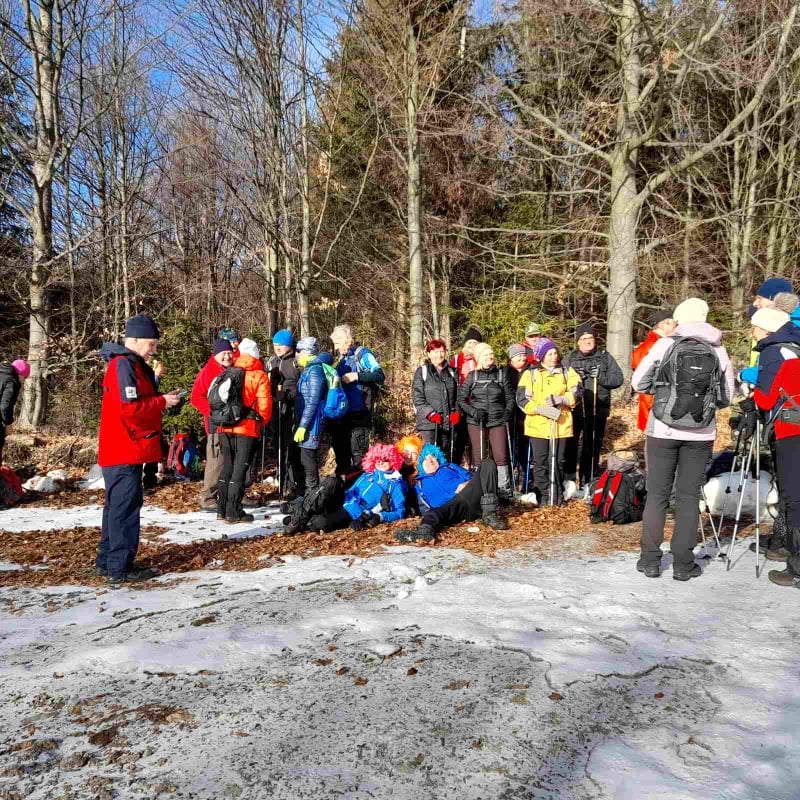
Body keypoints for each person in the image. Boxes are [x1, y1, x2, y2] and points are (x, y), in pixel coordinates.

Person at [632, 298, 734, 581]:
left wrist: (662, 389)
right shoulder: (718, 349)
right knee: (688, 497)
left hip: (662, 430)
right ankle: (683, 564)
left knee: (657, 495)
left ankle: (650, 560)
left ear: (680, 319)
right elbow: (727, 396)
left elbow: (638, 382)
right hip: (701, 434)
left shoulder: (666, 344)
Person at [96, 314, 182, 586]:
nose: (154, 349)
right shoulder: (124, 365)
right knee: (124, 508)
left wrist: (160, 396)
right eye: (151, 344)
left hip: (124, 448)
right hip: (124, 448)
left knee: (116, 508)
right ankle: (120, 567)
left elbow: (137, 399)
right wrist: (162, 402)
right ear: (134, 340)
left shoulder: (128, 364)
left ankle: (107, 561)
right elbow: (130, 408)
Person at [738, 307, 800, 559]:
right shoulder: (793, 346)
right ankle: (782, 542)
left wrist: (749, 384)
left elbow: (766, 397)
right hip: (792, 422)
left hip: (787, 425)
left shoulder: (773, 351)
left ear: (766, 328)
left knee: (790, 490)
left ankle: (789, 550)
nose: (752, 331)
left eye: (754, 326)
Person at [751, 349, 800, 587]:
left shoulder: (790, 366)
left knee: (795, 500)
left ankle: (797, 569)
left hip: (792, 436)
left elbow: (765, 400)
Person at [394, 444, 509, 542]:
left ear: (438, 459)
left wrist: (466, 483)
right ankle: (423, 533)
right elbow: (418, 506)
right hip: (449, 509)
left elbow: (475, 478)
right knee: (433, 513)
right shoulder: (418, 483)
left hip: (469, 495)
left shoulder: (450, 467)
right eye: (425, 459)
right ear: (420, 464)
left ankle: (489, 514)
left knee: (487, 462)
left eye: (433, 457)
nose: (430, 461)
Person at [516, 342, 581, 505]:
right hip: (537, 425)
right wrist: (538, 408)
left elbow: (577, 391)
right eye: (549, 354)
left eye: (555, 353)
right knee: (541, 462)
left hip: (561, 424)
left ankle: (557, 495)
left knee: (558, 461)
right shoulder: (530, 374)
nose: (554, 357)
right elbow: (521, 399)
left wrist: (563, 399)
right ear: (541, 356)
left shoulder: (567, 371)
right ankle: (543, 496)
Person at [216, 338, 272, 524]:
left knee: (227, 467)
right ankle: (233, 511)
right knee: (240, 469)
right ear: (255, 355)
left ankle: (221, 509)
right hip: (246, 428)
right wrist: (261, 424)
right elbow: (265, 407)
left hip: (225, 425)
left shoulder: (229, 371)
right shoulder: (259, 375)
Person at [563, 323, 624, 489]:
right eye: (583, 339)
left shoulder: (605, 357)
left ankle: (588, 479)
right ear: (578, 342)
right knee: (571, 444)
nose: (588, 341)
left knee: (592, 445)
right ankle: (568, 479)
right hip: (575, 409)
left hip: (598, 408)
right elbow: (560, 381)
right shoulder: (570, 358)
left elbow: (618, 379)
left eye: (590, 338)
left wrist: (602, 376)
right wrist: (575, 377)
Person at [305, 443, 406, 533]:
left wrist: (378, 516)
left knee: (319, 523)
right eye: (377, 459)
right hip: (343, 501)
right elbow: (349, 488)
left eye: (385, 460)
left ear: (393, 461)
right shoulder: (367, 473)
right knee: (330, 482)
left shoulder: (395, 483)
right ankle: (302, 514)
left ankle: (305, 519)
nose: (380, 462)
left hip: (354, 513)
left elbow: (400, 512)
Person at [458, 342, 515, 496]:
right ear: (478, 358)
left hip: (498, 420)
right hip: (477, 421)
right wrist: (473, 412)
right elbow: (461, 400)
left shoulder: (501, 374)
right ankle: (480, 489)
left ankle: (503, 490)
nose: (489, 357)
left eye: (491, 354)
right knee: (479, 457)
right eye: (485, 355)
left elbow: (510, 397)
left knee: (501, 455)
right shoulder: (472, 376)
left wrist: (508, 411)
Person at [328, 324, 385, 475]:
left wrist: (356, 376)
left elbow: (380, 375)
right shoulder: (343, 359)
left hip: (360, 413)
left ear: (347, 340)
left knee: (359, 457)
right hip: (343, 414)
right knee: (342, 456)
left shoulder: (363, 355)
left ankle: (360, 486)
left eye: (338, 343)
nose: (336, 347)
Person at [190, 338, 235, 511]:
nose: (227, 356)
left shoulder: (233, 369)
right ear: (215, 354)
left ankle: (233, 494)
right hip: (217, 425)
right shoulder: (209, 371)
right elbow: (196, 397)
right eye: (223, 353)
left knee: (234, 461)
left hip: (234, 423)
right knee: (216, 462)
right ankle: (208, 498)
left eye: (229, 352)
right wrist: (214, 412)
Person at [267, 329, 302, 496]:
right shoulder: (272, 361)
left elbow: (302, 385)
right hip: (276, 408)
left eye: (281, 345)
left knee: (291, 445)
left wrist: (289, 396)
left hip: (292, 408)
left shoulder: (296, 361)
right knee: (278, 444)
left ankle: (293, 482)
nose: (277, 348)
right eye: (275, 345)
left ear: (289, 345)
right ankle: (281, 480)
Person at [293, 336, 329, 497]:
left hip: (312, 423)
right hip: (307, 420)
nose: (296, 354)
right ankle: (309, 495)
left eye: (298, 351)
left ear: (307, 352)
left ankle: (312, 495)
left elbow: (313, 401)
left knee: (308, 458)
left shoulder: (315, 371)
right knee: (304, 458)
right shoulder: (309, 369)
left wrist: (303, 426)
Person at [412, 339, 459, 458]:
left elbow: (459, 396)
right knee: (430, 458)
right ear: (429, 354)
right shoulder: (422, 372)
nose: (439, 355)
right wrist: (431, 413)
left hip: (448, 424)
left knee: (446, 458)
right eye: (435, 352)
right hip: (428, 425)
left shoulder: (452, 372)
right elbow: (418, 398)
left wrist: (457, 412)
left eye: (442, 351)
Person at [631, 311, 677, 434]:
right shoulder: (653, 345)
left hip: (656, 402)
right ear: (661, 325)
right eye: (671, 323)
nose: (675, 326)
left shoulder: (654, 344)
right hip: (654, 403)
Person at [506, 343, 530, 489]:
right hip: (509, 417)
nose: (522, 358)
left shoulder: (531, 371)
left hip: (526, 416)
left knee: (524, 450)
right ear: (511, 358)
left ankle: (525, 481)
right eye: (518, 355)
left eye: (523, 355)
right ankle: (509, 482)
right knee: (509, 450)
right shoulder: (505, 372)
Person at [0, 359, 29, 465]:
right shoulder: (11, 381)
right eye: (25, 377)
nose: (23, 381)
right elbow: (5, 406)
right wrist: (8, 424)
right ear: (20, 374)